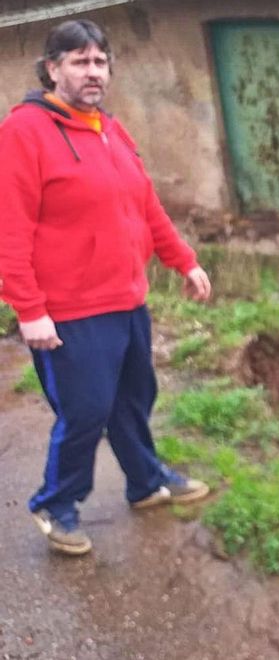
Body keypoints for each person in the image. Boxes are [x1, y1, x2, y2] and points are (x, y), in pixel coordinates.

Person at [0, 20, 212, 556]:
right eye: (79, 61)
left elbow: (145, 204)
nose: (92, 72)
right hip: (67, 310)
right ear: (52, 69)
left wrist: (182, 260)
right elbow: (9, 227)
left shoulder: (111, 130)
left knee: (134, 399)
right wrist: (28, 309)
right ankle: (57, 503)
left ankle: (146, 482)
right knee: (87, 409)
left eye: (100, 61)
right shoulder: (24, 132)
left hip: (126, 298)